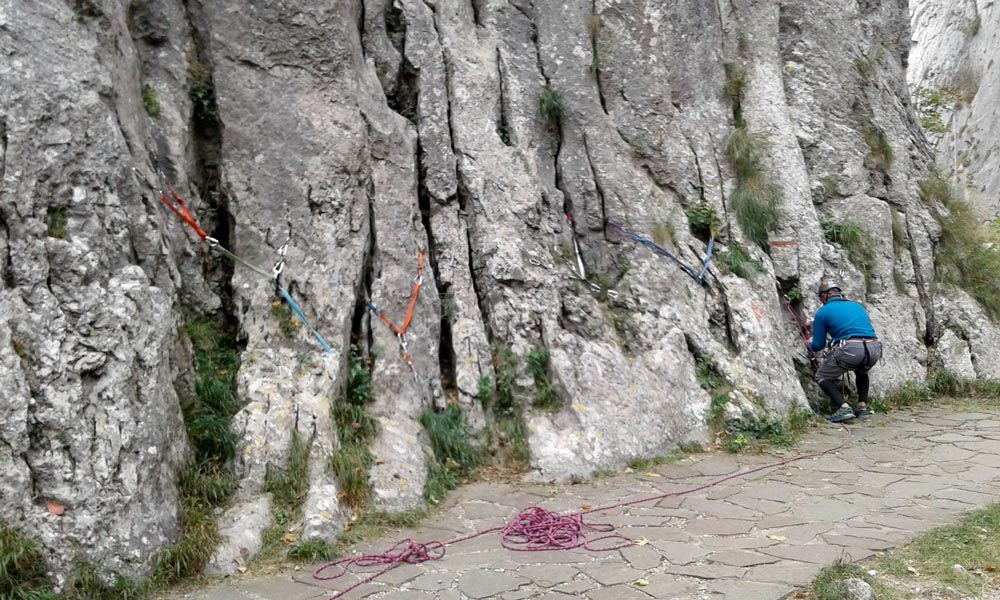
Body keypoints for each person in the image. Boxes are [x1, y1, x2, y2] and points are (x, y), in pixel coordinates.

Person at [808, 279, 882, 422]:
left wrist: (809, 344)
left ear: (824, 295)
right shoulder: (858, 306)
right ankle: (862, 407)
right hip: (874, 348)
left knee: (822, 376)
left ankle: (843, 408)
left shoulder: (822, 312)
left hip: (851, 349)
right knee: (861, 371)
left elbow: (818, 345)